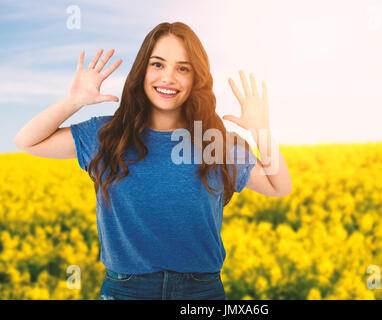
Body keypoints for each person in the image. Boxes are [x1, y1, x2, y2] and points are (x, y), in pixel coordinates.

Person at [14, 22, 292, 300]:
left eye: (183, 68)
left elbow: (279, 186)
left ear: (197, 78)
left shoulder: (215, 142)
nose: (168, 77)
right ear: (142, 71)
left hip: (201, 293)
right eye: (157, 64)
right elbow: (27, 141)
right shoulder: (106, 136)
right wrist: (73, 102)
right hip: (125, 291)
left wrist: (261, 130)